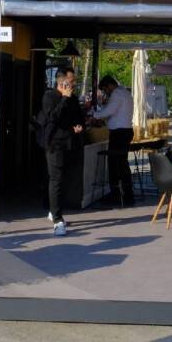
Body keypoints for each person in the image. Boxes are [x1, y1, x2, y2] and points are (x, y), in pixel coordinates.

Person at [39, 70, 84, 235]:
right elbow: (52, 117)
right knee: (56, 179)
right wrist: (64, 98)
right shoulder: (50, 96)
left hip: (70, 143)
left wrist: (79, 125)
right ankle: (57, 220)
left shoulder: (73, 98)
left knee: (67, 179)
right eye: (71, 81)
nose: (74, 84)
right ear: (62, 82)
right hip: (55, 144)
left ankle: (54, 209)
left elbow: (78, 116)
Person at [92, 74, 134, 206]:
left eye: (105, 89)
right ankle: (127, 195)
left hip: (119, 133)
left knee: (115, 165)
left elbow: (109, 111)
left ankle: (116, 195)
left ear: (110, 85)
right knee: (122, 164)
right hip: (126, 131)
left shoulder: (117, 94)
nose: (106, 93)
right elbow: (114, 111)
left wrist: (94, 115)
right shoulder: (125, 92)